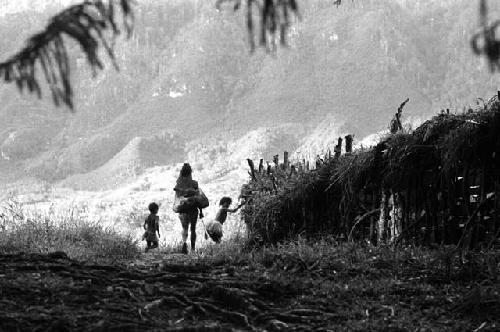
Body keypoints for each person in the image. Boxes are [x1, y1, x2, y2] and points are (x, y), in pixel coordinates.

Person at [174, 163, 203, 254]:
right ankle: (193, 249)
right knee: (193, 229)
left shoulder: (179, 183)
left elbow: (177, 198)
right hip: (193, 208)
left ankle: (184, 243)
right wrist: (201, 211)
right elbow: (199, 198)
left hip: (183, 209)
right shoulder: (194, 183)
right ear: (191, 172)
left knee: (185, 228)